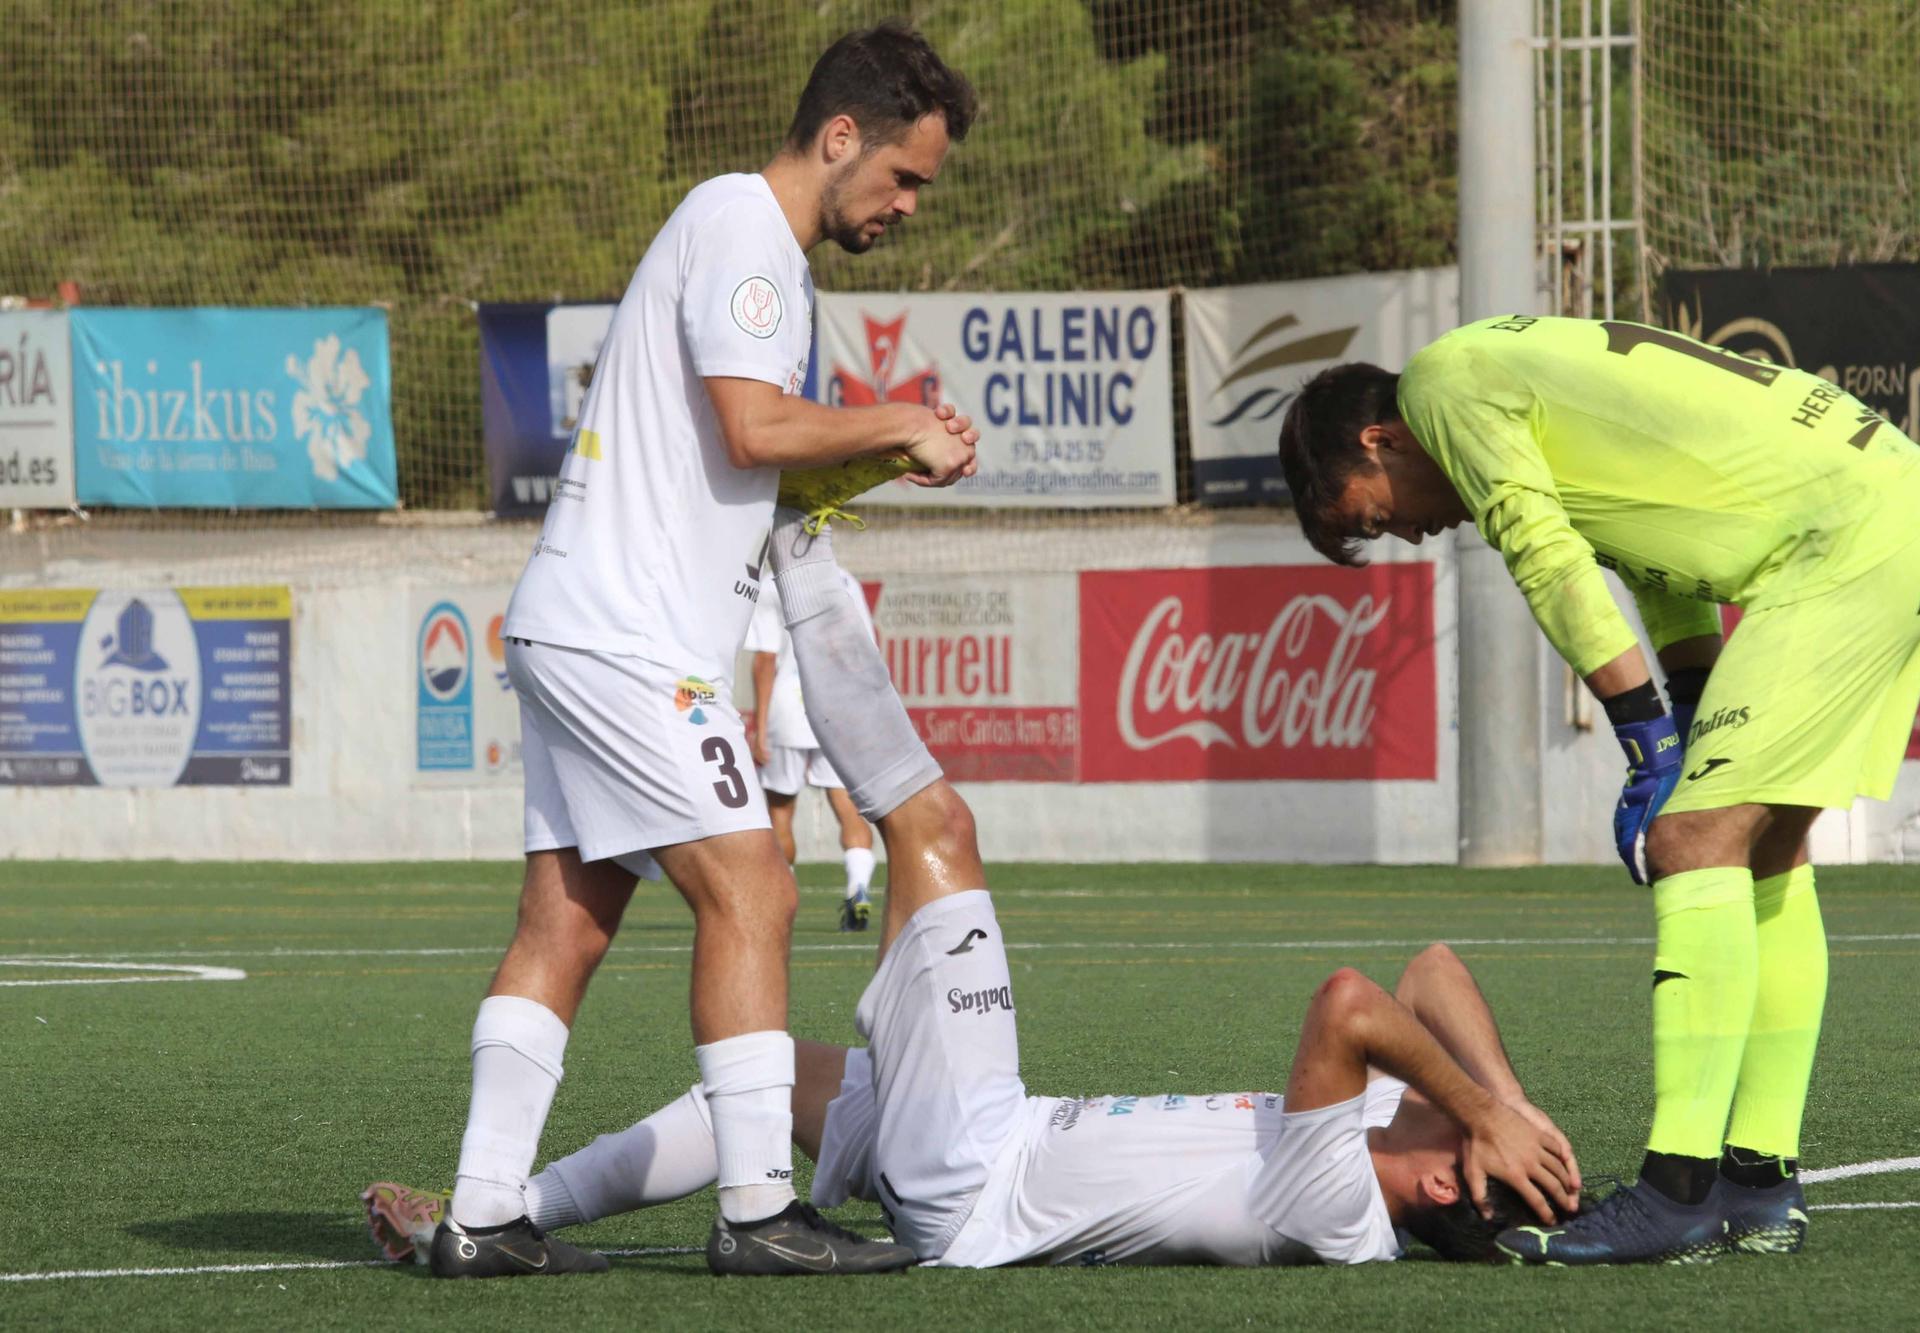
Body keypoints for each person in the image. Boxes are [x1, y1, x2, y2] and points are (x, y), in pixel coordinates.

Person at [368, 510, 1582, 1272]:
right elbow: (1434, 969)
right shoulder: (1399, 1134)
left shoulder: (1342, 1206)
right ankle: (493, 1210)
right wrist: (1505, 1106)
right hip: (983, 1144)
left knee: (933, 826)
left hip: (976, 1171)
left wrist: (1474, 1112)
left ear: (1437, 1182)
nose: (1457, 1118)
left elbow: (1352, 1001)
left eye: (1460, 1141)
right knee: (777, 1079)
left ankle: (798, 538)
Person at [431, 22, 979, 1279]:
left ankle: (481, 1212)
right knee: (757, 885)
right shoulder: (746, 229)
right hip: (627, 637)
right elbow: (750, 425)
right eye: (903, 177)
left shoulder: (757, 251)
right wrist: (896, 413)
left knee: (565, 922)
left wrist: (894, 451)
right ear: (839, 137)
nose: (905, 205)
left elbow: (769, 474)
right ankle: (755, 1211)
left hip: (582, 621)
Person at [1276, 314, 1920, 1264]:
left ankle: (1676, 1189)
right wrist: (1685, 710)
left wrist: (1648, 743)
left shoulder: (1442, 388)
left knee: (1691, 842)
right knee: (1765, 846)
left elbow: (1545, 555)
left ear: (1380, 438)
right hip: (1897, 514)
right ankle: (1759, 1180)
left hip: (1845, 543)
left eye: (1375, 513)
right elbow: (1659, 559)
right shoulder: (1515, 387)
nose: (1408, 531)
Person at [745, 568, 880, 932]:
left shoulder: (772, 585)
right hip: (838, 706)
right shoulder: (845, 579)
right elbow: (866, 647)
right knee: (848, 807)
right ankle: (859, 886)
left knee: (780, 810)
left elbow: (765, 660)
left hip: (789, 708)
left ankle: (779, 901)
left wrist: (760, 727)